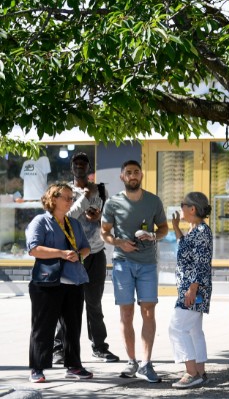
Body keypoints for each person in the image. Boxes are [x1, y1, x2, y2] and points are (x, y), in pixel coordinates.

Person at [100, 160, 168, 383]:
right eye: (128, 172)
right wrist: (119, 242)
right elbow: (105, 233)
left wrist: (154, 236)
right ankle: (132, 361)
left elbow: (164, 228)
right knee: (126, 314)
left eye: (136, 172)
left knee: (149, 312)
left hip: (148, 263)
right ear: (122, 177)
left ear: (141, 175)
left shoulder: (153, 201)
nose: (132, 175)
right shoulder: (112, 203)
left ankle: (146, 364)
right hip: (123, 263)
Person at [53, 152, 120, 364]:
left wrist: (100, 216)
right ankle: (59, 349)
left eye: (83, 163)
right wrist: (84, 197)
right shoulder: (65, 190)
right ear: (72, 167)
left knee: (94, 303)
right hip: (72, 255)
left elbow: (110, 216)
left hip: (95, 253)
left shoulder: (100, 189)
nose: (80, 166)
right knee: (67, 305)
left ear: (89, 167)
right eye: (76, 163)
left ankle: (99, 347)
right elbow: (66, 217)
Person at [26, 183, 93, 383]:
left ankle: (74, 365)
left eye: (72, 198)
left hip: (73, 282)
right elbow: (34, 249)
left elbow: (86, 248)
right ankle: (37, 368)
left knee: (72, 327)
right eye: (66, 197)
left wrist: (79, 255)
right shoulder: (41, 221)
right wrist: (62, 254)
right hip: (47, 282)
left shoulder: (74, 223)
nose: (70, 201)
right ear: (53, 199)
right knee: (43, 327)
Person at [168, 192, 214, 389]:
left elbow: (201, 262)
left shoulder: (202, 231)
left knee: (177, 328)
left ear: (192, 208)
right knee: (194, 330)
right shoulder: (197, 230)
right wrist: (177, 228)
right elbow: (185, 248)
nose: (181, 208)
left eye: (183, 205)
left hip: (193, 289)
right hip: (191, 288)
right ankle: (200, 372)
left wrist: (192, 288)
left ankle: (191, 372)